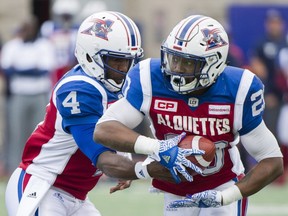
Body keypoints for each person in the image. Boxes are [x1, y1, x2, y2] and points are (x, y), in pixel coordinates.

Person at [5, 11, 195, 216]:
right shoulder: (78, 89)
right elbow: (103, 158)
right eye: (115, 61)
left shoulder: (114, 83)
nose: (124, 68)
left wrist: (125, 158)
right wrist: (144, 169)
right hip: (42, 185)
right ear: (89, 55)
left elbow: (113, 126)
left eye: (128, 60)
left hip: (76, 195)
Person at [94, 14, 284, 216]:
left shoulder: (238, 88)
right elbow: (104, 129)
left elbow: (272, 161)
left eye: (186, 63)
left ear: (213, 64)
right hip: (175, 187)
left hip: (221, 183)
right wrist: (158, 147)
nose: (175, 68)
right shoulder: (150, 77)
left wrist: (224, 197)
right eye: (173, 58)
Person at [0, 15, 56, 174]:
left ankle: (37, 169)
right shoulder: (12, 46)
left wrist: (20, 70)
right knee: (16, 133)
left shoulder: (44, 45)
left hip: (38, 95)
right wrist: (31, 69)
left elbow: (43, 71)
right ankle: (14, 169)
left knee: (38, 132)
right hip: (19, 94)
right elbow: (7, 70)